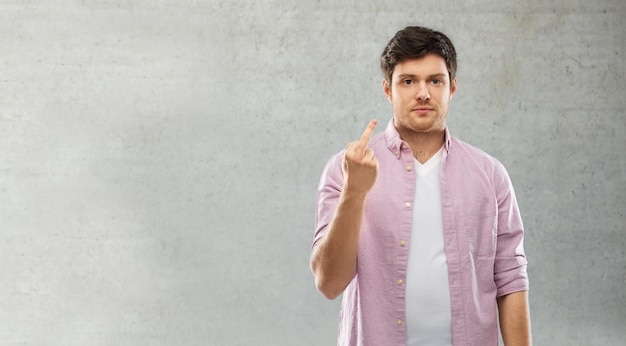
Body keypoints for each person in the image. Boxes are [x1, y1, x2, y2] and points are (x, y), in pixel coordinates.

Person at [310, 26, 531, 346]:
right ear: (388, 90)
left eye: (435, 81)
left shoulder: (490, 175)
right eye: (408, 81)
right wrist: (354, 192)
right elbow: (329, 284)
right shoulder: (346, 169)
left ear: (452, 87)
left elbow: (511, 279)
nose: (423, 93)